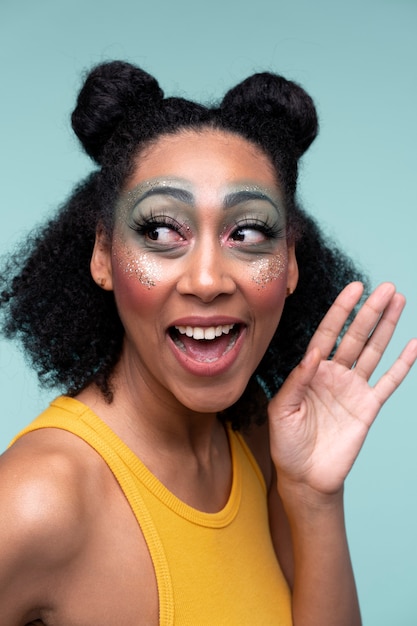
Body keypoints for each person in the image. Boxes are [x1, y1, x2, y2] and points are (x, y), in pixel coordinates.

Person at [0, 60, 415, 626]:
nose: (207, 280)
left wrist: (316, 498)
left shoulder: (264, 448)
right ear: (103, 255)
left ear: (290, 261)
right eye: (161, 231)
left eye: (246, 234)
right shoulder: (36, 500)